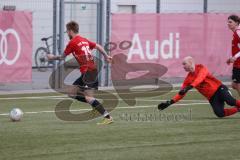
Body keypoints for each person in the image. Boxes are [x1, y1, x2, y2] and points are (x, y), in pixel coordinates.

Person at [47, 21, 113, 125]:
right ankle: (96, 107)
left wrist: (52, 57)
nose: (67, 34)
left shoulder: (72, 42)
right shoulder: (84, 40)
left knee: (89, 97)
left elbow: (62, 57)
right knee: (72, 93)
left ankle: (107, 116)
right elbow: (98, 46)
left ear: (70, 31)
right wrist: (106, 56)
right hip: (91, 71)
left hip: (88, 72)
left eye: (67, 31)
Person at [158, 56, 240, 118]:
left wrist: (188, 87)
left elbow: (199, 79)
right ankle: (238, 109)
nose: (183, 66)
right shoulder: (188, 79)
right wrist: (170, 102)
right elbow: (181, 93)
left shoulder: (201, 68)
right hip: (212, 97)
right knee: (220, 113)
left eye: (184, 64)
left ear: (190, 62)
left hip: (219, 89)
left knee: (230, 101)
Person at [226, 15, 240, 96]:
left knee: (235, 84)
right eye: (228, 22)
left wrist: (235, 57)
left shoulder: (238, 32)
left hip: (239, 64)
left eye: (230, 22)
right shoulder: (236, 33)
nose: (228, 23)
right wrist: (232, 58)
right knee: (235, 85)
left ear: (237, 23)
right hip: (237, 63)